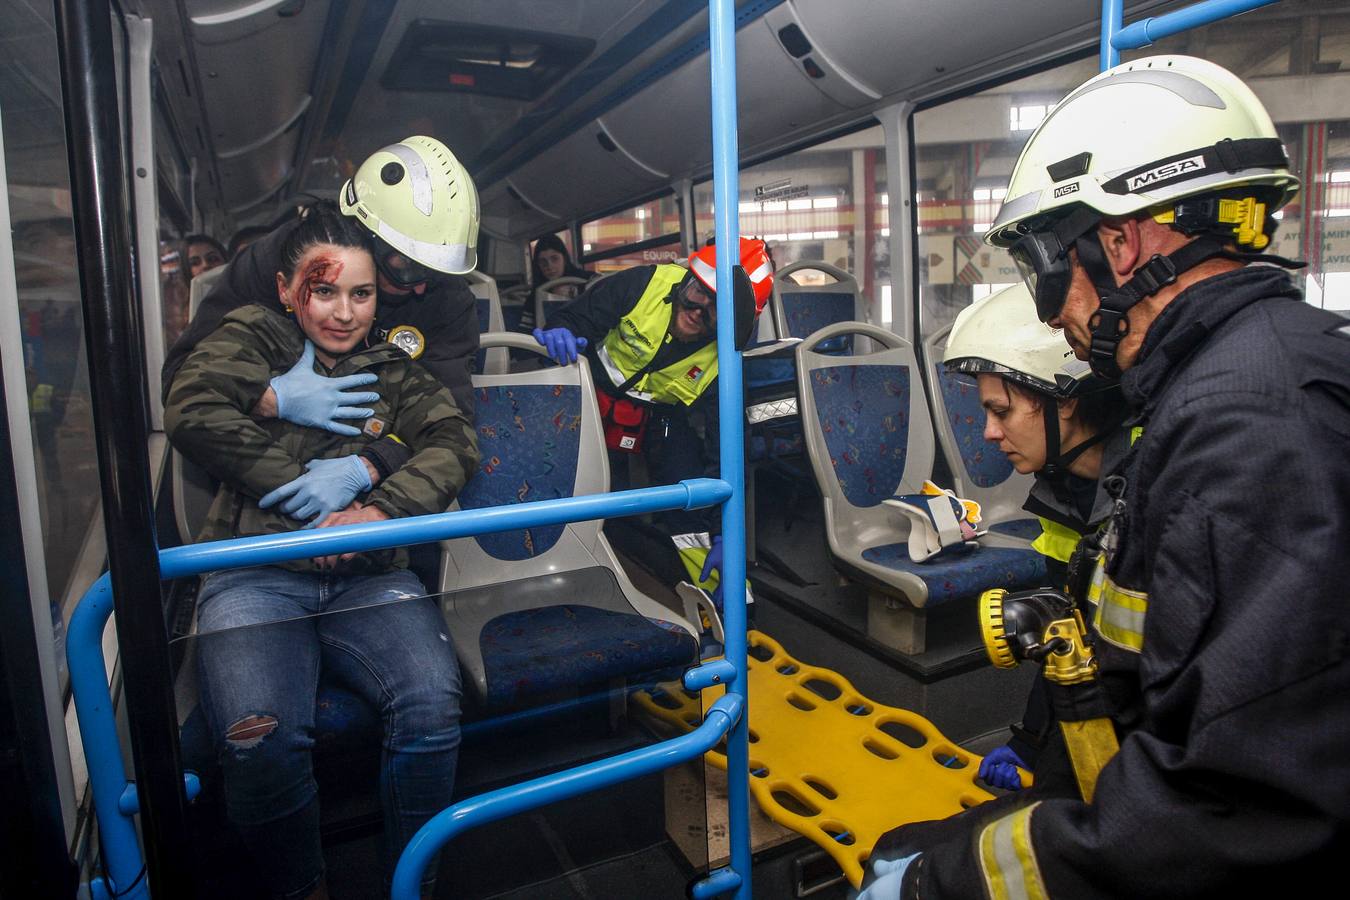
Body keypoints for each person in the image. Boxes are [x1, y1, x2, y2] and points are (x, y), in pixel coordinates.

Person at [858, 55, 1350, 898]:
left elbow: (1237, 806)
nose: (1052, 311)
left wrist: (935, 888)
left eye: (1049, 265)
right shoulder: (1263, 372)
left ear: (1123, 242)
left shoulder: (1247, 426)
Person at [164, 203, 478, 899]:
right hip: (255, 571)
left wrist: (372, 508)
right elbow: (191, 405)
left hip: (368, 573)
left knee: (432, 705)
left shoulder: (391, 368)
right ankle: (301, 887)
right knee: (259, 739)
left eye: (360, 294)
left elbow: (455, 440)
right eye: (323, 290)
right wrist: (282, 434)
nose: (342, 313)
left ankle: (413, 883)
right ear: (287, 290)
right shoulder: (251, 335)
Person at [163, 136, 482, 531]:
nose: (420, 286)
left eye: (433, 270)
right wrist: (271, 401)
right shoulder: (289, 265)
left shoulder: (445, 301)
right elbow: (185, 387)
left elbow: (452, 425)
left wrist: (368, 470)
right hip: (259, 507)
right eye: (404, 266)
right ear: (364, 233)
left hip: (376, 511)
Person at [942, 282, 1131, 791]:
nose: (988, 432)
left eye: (1000, 411)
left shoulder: (1156, 490)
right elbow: (1068, 636)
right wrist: (1031, 741)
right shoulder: (1065, 494)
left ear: (1063, 401)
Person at [533, 237, 773, 594]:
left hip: (659, 417)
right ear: (686, 279)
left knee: (693, 491)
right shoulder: (643, 283)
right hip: (590, 398)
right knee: (553, 472)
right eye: (698, 292)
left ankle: (722, 596)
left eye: (716, 309)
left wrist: (728, 534)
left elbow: (730, 445)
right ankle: (543, 568)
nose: (698, 309)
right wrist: (561, 331)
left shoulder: (728, 356)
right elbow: (572, 317)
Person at [518, 233, 597, 333]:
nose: (549, 266)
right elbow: (525, 332)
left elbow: (605, 291)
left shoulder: (587, 279)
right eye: (543, 261)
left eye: (554, 258)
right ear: (537, 265)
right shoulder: (534, 297)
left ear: (564, 258)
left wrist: (576, 291)